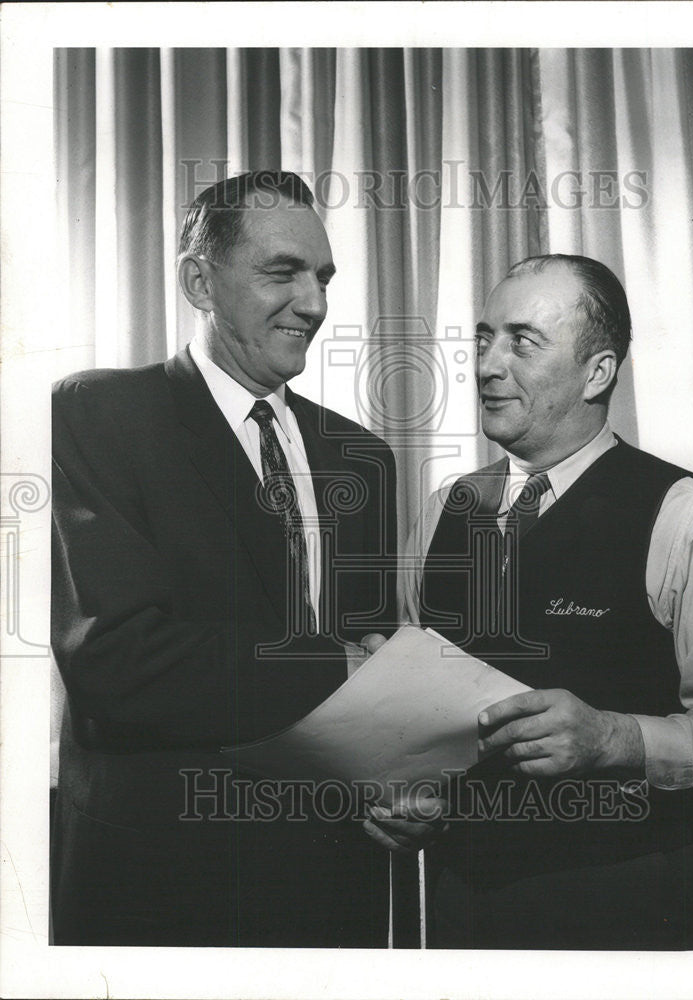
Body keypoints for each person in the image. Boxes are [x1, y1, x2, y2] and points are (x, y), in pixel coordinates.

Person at [364, 254, 693, 950]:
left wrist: (616, 739)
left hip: (636, 915)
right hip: (463, 918)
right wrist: (401, 788)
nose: (487, 365)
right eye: (483, 338)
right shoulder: (441, 514)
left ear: (597, 372)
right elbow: (414, 720)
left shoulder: (688, 516)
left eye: (521, 341)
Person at [51, 171, 397, 947]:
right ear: (198, 282)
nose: (313, 303)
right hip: (162, 888)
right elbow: (118, 663)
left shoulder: (361, 459)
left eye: (324, 277)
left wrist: (402, 774)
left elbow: (373, 669)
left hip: (333, 886)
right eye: (283, 272)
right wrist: (340, 668)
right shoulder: (96, 415)